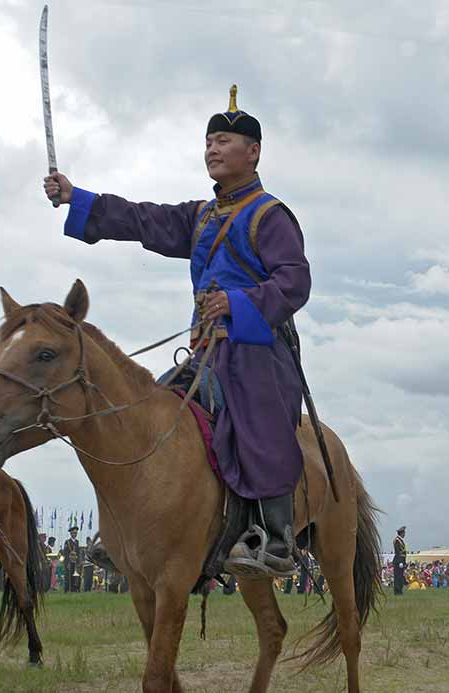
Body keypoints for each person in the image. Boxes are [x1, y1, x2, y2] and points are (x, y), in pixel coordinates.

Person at [43, 85, 311, 579]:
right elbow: (142, 219)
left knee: (258, 422)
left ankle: (276, 540)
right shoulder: (201, 216)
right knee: (145, 410)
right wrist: (75, 198)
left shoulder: (270, 215)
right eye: (209, 140)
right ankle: (127, 529)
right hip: (206, 351)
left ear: (253, 152)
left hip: (257, 351)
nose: (212, 148)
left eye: (224, 141)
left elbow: (295, 282)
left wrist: (237, 301)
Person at [61, 526, 81, 592]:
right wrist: (67, 563)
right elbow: (65, 553)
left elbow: (78, 552)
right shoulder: (67, 542)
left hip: (75, 562)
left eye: (76, 533)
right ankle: (66, 590)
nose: (75, 534)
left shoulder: (77, 542)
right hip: (69, 562)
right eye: (73, 533)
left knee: (74, 577)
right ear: (71, 534)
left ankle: (74, 589)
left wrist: (78, 561)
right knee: (68, 577)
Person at [392, 526, 407, 595]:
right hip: (398, 561)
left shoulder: (401, 540)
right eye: (404, 533)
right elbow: (398, 551)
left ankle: (400, 590)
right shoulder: (397, 540)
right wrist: (400, 561)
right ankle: (397, 591)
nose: (404, 534)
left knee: (400, 576)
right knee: (398, 576)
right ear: (401, 533)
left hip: (401, 560)